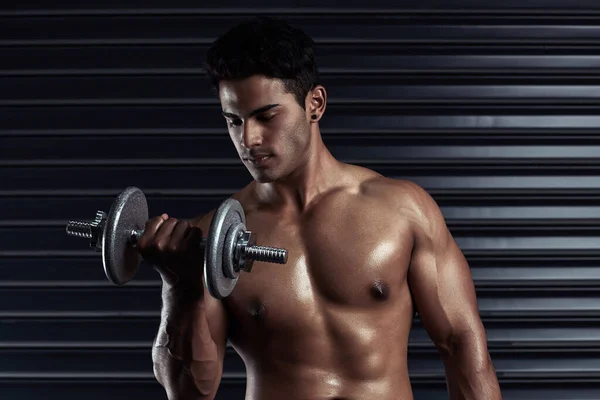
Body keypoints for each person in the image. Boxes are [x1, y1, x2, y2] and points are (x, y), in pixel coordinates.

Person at [139, 16, 503, 400]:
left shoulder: (403, 210)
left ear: (315, 104)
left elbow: (462, 348)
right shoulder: (215, 239)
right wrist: (179, 286)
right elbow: (191, 392)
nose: (248, 138)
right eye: (233, 120)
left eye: (266, 115)